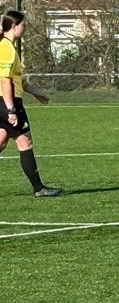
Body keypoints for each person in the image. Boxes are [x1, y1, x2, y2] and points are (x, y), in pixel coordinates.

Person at [0, 10, 61, 196]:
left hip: (4, 102)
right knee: (25, 143)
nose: (25, 27)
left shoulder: (8, 46)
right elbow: (5, 81)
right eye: (23, 24)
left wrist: (37, 93)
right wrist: (11, 109)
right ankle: (39, 188)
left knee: (1, 141)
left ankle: (39, 188)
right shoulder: (6, 47)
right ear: (14, 26)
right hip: (8, 102)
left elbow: (19, 81)